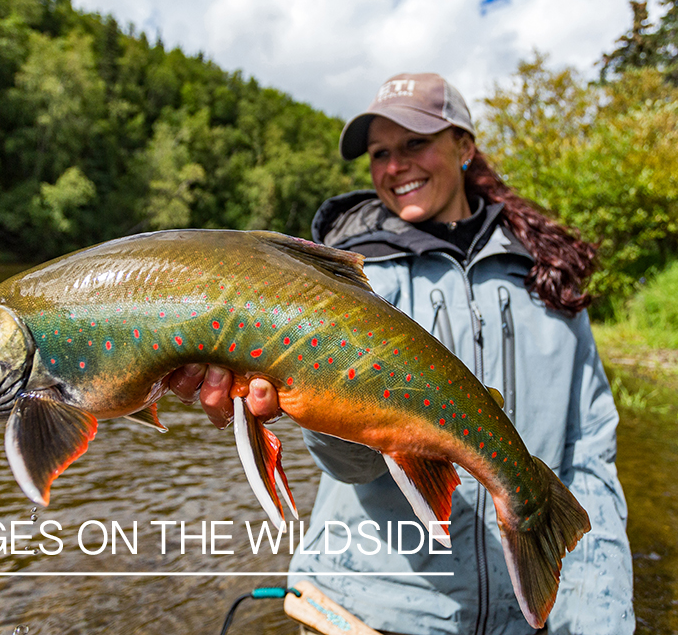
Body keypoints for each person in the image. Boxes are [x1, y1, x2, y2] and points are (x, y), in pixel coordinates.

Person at [169, 73, 634, 635]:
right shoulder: (344, 284)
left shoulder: (547, 275)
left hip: (529, 619)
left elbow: (590, 453)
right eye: (380, 153)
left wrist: (599, 610)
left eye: (415, 143)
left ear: (464, 147)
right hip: (367, 607)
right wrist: (310, 398)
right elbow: (353, 468)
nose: (395, 166)